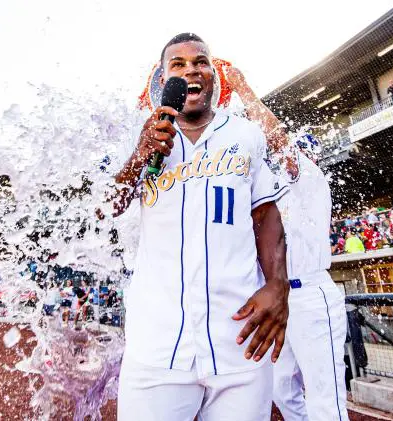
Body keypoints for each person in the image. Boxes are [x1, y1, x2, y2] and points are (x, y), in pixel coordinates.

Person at [113, 33, 289, 421]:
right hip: (157, 343)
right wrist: (139, 155)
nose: (191, 69)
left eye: (201, 61)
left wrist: (278, 284)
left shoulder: (245, 133)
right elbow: (104, 207)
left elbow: (266, 215)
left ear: (212, 75)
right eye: (177, 64)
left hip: (240, 336)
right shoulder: (138, 134)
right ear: (162, 78)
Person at [226, 66, 349, 419]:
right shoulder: (268, 189)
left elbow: (279, 142)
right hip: (280, 298)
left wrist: (243, 89)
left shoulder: (310, 179)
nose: (282, 156)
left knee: (326, 396)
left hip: (311, 293)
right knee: (280, 387)